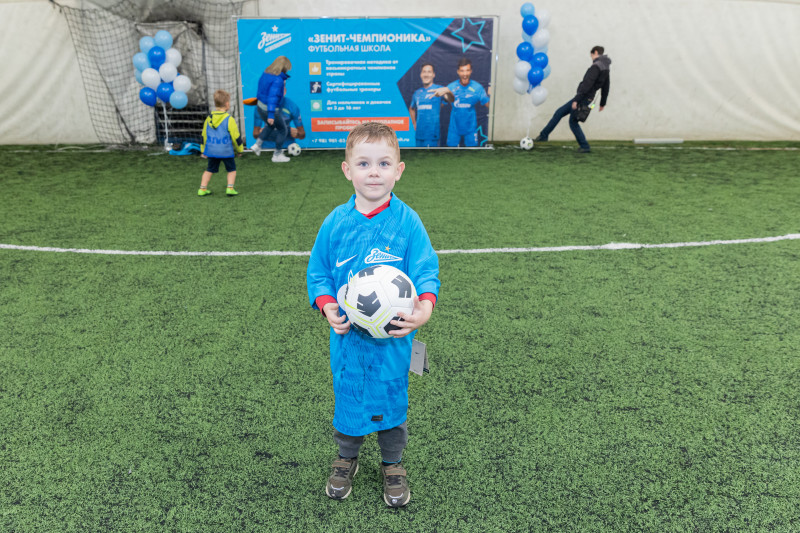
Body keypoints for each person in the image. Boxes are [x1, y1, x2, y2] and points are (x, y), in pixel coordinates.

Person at [306, 122, 441, 508]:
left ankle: (392, 463)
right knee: (348, 397)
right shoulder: (335, 223)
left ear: (399, 170)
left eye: (384, 163)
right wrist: (328, 305)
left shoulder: (407, 221)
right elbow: (318, 273)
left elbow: (426, 269)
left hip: (395, 339)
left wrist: (424, 309)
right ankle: (346, 457)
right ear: (347, 170)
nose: (374, 172)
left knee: (392, 398)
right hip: (348, 340)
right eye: (363, 163)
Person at [535, 46, 611, 153]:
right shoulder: (605, 67)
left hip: (583, 98)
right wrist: (603, 103)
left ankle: (584, 146)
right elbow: (606, 86)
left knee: (573, 122)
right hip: (587, 97)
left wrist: (576, 100)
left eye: (592, 55)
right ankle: (544, 135)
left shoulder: (595, 67)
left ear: (596, 52)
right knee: (559, 112)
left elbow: (587, 85)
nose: (591, 58)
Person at [433, 57, 490, 147]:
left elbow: (489, 106)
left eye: (467, 70)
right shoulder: (450, 87)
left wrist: (493, 96)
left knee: (471, 154)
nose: (465, 74)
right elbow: (439, 107)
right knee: (452, 154)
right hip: (454, 129)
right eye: (462, 71)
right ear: (458, 72)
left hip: (470, 128)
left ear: (471, 71)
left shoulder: (478, 88)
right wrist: (435, 99)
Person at [198, 89, 243, 196]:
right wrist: (240, 150)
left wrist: (203, 150)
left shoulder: (208, 119)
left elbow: (203, 136)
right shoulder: (229, 119)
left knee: (209, 169)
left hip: (212, 150)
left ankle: (202, 189)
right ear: (227, 104)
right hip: (225, 150)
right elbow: (236, 137)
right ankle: (230, 188)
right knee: (231, 169)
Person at [249, 55, 292, 163]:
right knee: (283, 130)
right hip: (270, 109)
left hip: (260, 106)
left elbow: (261, 90)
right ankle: (277, 155)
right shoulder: (278, 80)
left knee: (270, 126)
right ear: (284, 67)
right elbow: (272, 98)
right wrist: (271, 115)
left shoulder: (266, 73)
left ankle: (257, 145)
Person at [408, 63, 447, 147]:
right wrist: (414, 123)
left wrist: (447, 91)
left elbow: (449, 99)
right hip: (419, 135)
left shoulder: (439, 89)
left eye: (429, 72)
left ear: (433, 75)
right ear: (421, 74)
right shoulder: (417, 93)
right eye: (424, 72)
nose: (426, 74)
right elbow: (411, 108)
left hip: (432, 135)